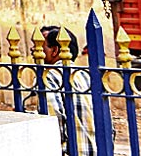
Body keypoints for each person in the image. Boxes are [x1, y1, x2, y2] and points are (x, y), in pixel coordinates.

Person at [36, 25, 98, 156]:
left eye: (41, 46)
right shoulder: (86, 76)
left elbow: (54, 122)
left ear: (54, 51)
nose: (34, 49)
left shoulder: (50, 77)